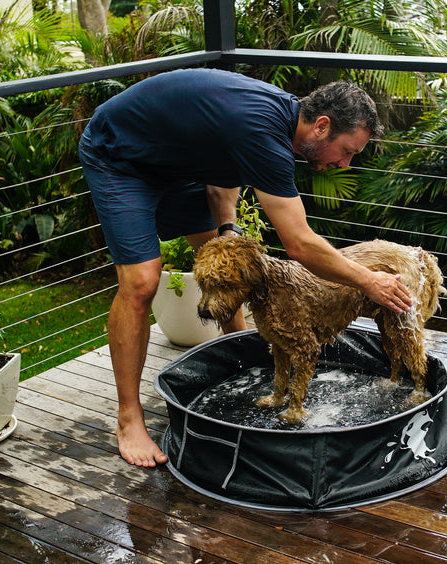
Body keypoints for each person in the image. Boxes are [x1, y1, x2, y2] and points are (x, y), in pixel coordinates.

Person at [78, 68, 414, 467]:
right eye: (347, 151)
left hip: (181, 166)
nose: (344, 164)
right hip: (121, 156)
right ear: (322, 126)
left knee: (224, 261)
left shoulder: (279, 124)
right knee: (141, 280)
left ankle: (241, 356)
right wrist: (368, 280)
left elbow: (224, 176)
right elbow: (299, 244)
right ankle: (129, 418)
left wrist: (227, 230)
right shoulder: (264, 132)